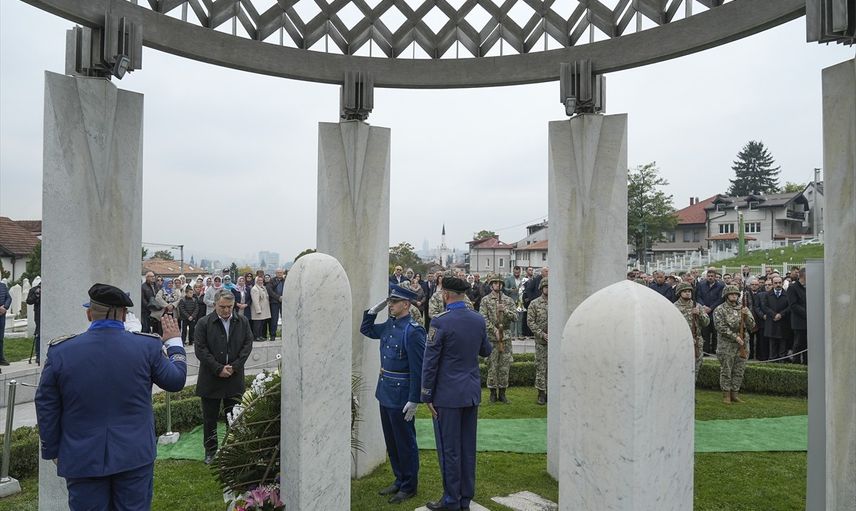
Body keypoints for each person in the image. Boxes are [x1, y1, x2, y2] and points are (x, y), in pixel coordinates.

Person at [34, 283, 187, 509]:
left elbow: (46, 404)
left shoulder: (61, 351)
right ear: (124, 315)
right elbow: (175, 381)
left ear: (89, 314)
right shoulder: (147, 346)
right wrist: (174, 343)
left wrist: (52, 449)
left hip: (82, 455)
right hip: (134, 454)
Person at [420, 273, 491, 511]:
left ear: (446, 295)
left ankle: (451, 500)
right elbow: (486, 351)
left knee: (449, 449)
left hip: (447, 395)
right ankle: (465, 499)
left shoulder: (440, 321)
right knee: (467, 449)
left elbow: (430, 362)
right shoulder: (478, 319)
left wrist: (426, 394)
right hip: (470, 393)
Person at [360, 285, 426, 505]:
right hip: (386, 391)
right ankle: (399, 478)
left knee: (405, 441)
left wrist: (414, 399)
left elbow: (418, 368)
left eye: (394, 302)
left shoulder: (413, 331)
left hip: (402, 394)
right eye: (389, 301)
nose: (390, 305)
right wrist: (373, 311)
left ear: (406, 304)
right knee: (392, 440)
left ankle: (409, 485)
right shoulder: (390, 324)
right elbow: (366, 330)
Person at [194, 290, 254, 464]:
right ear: (215, 305)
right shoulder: (203, 323)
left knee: (234, 417)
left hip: (234, 377)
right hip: (210, 377)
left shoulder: (242, 321)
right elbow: (200, 349)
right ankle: (211, 451)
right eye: (222, 307)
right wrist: (218, 368)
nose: (227, 310)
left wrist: (235, 367)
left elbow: (247, 345)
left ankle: (232, 449)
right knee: (210, 419)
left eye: (230, 307)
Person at [713, 285, 755, 404]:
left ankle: (735, 393)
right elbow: (720, 327)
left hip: (743, 344)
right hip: (727, 344)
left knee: (739, 370)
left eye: (736, 294)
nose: (734, 296)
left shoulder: (743, 308)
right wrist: (735, 337)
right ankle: (726, 394)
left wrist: (746, 315)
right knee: (726, 369)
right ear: (726, 295)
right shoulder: (720, 309)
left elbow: (752, 325)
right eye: (731, 294)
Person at [480, 273, 517, 403]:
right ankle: (492, 392)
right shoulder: (485, 300)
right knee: (492, 365)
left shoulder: (508, 300)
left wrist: (505, 310)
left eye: (500, 283)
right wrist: (493, 329)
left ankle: (502, 392)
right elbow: (483, 317)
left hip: (505, 337)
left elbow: (515, 317)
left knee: (504, 366)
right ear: (491, 285)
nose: (498, 285)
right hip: (492, 337)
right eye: (495, 283)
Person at [674, 282, 709, 380]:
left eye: (689, 291)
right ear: (679, 293)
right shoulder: (674, 307)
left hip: (697, 341)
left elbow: (706, 323)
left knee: (696, 367)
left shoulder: (697, 306)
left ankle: (692, 387)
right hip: (681, 341)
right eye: (685, 291)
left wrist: (699, 314)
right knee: (681, 367)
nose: (687, 293)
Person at [526, 278, 549, 405]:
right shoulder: (534, 303)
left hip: (555, 342)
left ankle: (551, 392)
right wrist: (541, 334)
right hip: (541, 341)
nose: (548, 289)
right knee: (541, 367)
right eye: (546, 287)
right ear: (541, 288)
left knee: (553, 368)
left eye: (550, 287)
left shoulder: (557, 302)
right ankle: (541, 393)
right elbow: (530, 321)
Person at [760, 275, 790, 360]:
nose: (778, 285)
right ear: (772, 284)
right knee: (772, 345)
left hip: (783, 323)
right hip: (772, 322)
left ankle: (782, 361)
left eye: (780, 283)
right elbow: (764, 306)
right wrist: (774, 315)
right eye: (776, 283)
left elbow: (790, 307)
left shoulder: (787, 294)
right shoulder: (767, 295)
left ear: (782, 283)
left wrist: (781, 314)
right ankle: (772, 361)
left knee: (783, 345)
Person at [695, 268, 725, 353]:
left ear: (715, 277)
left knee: (716, 333)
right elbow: (698, 296)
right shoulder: (701, 284)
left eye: (712, 276)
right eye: (708, 276)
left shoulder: (721, 286)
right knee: (705, 332)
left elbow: (720, 299)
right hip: (704, 311)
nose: (710, 277)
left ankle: (715, 350)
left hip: (715, 312)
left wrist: (711, 308)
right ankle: (706, 350)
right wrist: (703, 306)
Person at [787, 268, 807, 364]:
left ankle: (807, 362)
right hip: (799, 322)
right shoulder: (793, 288)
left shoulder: (809, 287)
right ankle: (796, 363)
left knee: (807, 345)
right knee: (798, 344)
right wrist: (807, 313)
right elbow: (793, 305)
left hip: (809, 322)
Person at [251, 276, 272, 341]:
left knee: (261, 324)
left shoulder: (263, 288)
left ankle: (260, 336)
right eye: (259, 280)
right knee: (257, 324)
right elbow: (255, 301)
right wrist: (258, 310)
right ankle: (256, 337)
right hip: (258, 309)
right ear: (256, 281)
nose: (260, 282)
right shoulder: (254, 289)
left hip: (264, 310)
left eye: (261, 280)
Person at [266, 269, 285, 341]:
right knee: (274, 319)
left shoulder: (285, 280)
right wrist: (278, 297)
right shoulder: (272, 281)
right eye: (278, 272)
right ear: (276, 273)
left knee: (284, 318)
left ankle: (284, 334)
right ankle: (273, 335)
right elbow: (270, 291)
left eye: (281, 272)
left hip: (284, 302)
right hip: (274, 302)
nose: (280, 274)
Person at [26, 281, 42, 364]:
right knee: (39, 333)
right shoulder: (34, 289)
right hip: (39, 314)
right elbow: (29, 301)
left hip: (49, 313)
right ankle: (38, 355)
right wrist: (36, 295)